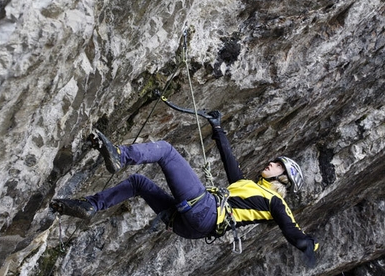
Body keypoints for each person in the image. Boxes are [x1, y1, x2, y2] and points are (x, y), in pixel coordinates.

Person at [50, 111, 319, 267]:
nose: (271, 163)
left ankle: (120, 155)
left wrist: (309, 245)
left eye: (278, 165)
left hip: (206, 213)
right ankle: (90, 205)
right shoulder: (249, 189)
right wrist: (218, 128)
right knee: (138, 183)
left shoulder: (275, 202)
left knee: (166, 151)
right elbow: (230, 163)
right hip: (191, 227)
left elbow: (291, 228)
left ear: (284, 178)